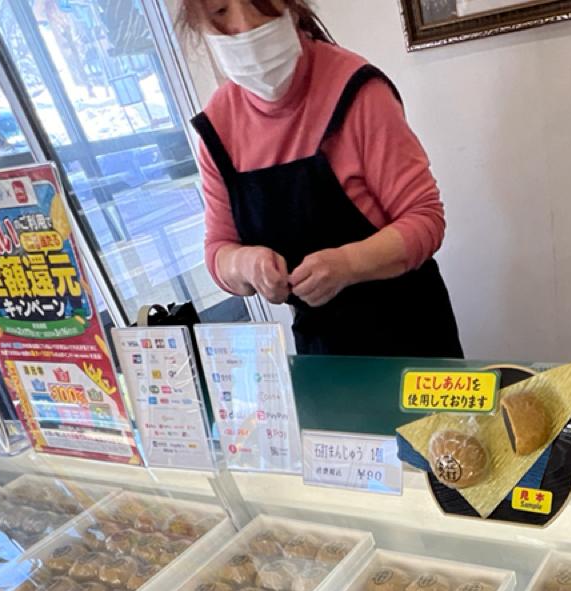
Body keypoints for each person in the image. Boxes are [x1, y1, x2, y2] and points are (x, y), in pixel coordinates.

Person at [179, 0, 463, 357]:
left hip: (411, 331)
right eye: (220, 12)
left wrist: (349, 265)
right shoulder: (218, 129)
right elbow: (219, 249)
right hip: (322, 349)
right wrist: (244, 264)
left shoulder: (358, 91)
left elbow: (425, 219)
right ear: (200, 25)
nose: (245, 24)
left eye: (258, 2)